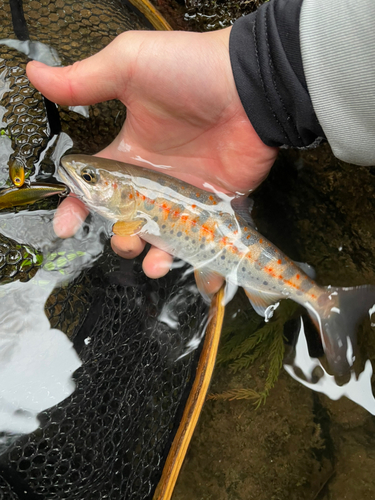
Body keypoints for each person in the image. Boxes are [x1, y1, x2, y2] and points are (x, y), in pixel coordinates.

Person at [26, 0, 375, 290]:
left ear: (129, 197)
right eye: (89, 177)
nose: (74, 171)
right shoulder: (128, 212)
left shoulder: (128, 216)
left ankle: (318, 300)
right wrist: (260, 76)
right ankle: (313, 296)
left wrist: (262, 74)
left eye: (89, 177)